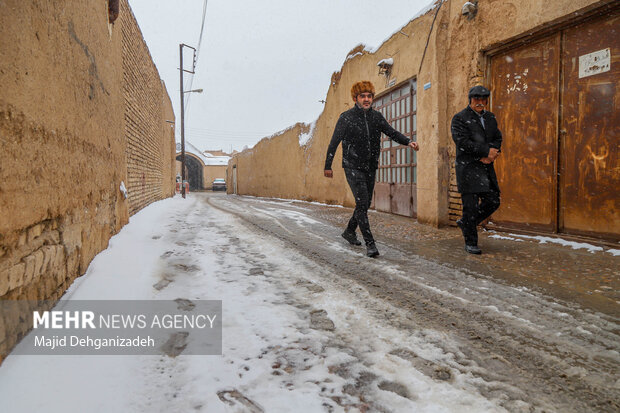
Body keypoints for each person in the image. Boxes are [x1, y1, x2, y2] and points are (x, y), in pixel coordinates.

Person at [324, 81, 419, 257]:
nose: (366, 99)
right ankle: (370, 244)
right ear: (356, 98)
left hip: (370, 166)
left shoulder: (376, 117)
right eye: (363, 96)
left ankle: (349, 231)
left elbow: (391, 132)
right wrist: (327, 166)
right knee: (362, 203)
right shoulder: (346, 117)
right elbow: (334, 142)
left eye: (369, 96)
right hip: (352, 166)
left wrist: (407, 141)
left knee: (365, 203)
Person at [451, 85, 502, 254]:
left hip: (486, 168)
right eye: (476, 99)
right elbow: (462, 142)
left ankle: (467, 223)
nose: (480, 102)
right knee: (470, 207)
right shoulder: (460, 118)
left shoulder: (490, 117)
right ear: (470, 100)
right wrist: (484, 152)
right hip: (468, 168)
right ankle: (471, 242)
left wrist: (493, 153)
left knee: (493, 200)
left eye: (483, 99)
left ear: (486, 100)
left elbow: (497, 137)